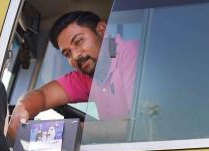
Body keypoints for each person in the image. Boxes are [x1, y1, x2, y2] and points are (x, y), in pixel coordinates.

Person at [9, 10, 140, 140]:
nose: (76, 56)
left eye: (78, 42)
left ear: (102, 30)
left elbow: (137, 125)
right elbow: (43, 95)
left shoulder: (131, 53)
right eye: (67, 54)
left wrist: (65, 131)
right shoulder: (86, 75)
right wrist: (21, 107)